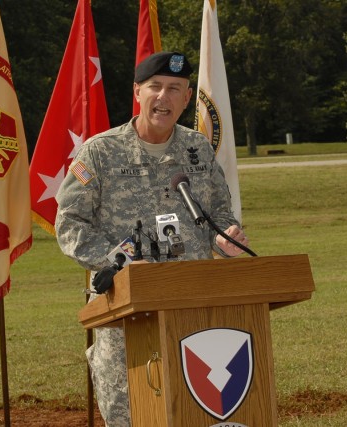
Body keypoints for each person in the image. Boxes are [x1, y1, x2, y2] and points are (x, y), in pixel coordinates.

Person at [55, 51, 249, 426]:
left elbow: (220, 216)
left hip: (192, 310)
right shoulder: (100, 151)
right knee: (131, 417)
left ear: (187, 97)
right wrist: (119, 262)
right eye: (155, 87)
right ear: (137, 93)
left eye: (174, 89)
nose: (164, 97)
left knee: (195, 412)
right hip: (127, 317)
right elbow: (70, 223)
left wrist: (226, 238)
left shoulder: (198, 149)